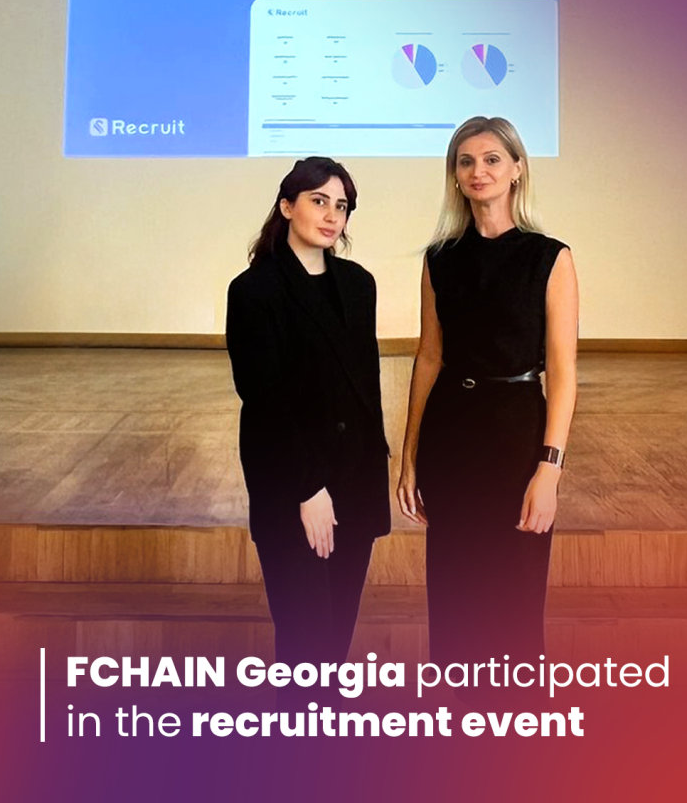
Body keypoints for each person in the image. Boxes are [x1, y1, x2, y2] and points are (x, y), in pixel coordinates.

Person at [397, 117, 578, 677]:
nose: (479, 171)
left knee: (514, 595)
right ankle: (463, 714)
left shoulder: (550, 258)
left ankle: (514, 715)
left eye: (493, 159)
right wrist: (409, 456)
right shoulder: (439, 258)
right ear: (455, 175)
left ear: (517, 169)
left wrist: (549, 470)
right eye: (466, 161)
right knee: (454, 594)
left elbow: (563, 373)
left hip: (516, 435)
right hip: (451, 434)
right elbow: (429, 357)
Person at [226, 157, 390, 702]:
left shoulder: (358, 284)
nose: (331, 215)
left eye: (341, 206)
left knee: (335, 641)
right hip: (293, 486)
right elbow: (264, 399)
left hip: (354, 480)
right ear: (286, 206)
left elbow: (365, 389)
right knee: (304, 643)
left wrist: (374, 473)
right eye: (319, 201)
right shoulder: (254, 290)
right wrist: (308, 487)